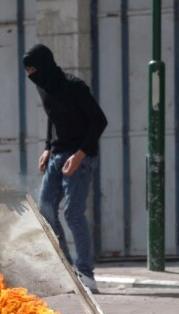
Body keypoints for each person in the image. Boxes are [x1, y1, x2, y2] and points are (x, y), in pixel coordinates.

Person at [22, 43, 107, 294]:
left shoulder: (74, 87)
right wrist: (48, 147)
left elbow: (99, 122)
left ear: (45, 64)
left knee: (73, 213)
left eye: (33, 69)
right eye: (26, 70)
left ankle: (86, 273)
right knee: (44, 210)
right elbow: (53, 117)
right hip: (57, 155)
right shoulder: (43, 85)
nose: (30, 75)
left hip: (81, 155)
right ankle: (67, 269)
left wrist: (80, 155)